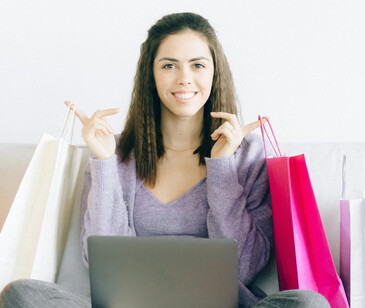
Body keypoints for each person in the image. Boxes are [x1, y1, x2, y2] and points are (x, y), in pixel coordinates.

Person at [0, 12, 329, 308]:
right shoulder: (115, 154)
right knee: (21, 294)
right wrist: (103, 162)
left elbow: (243, 268)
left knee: (309, 304)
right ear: (151, 75)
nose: (184, 78)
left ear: (215, 73)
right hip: (131, 307)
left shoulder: (246, 154)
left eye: (198, 65)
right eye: (169, 65)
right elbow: (99, 262)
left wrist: (222, 167)